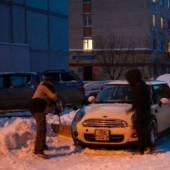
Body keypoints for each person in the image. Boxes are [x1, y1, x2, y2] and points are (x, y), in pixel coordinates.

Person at [29, 76, 63, 159]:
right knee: (41, 128)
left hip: (38, 107)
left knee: (43, 128)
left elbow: (48, 101)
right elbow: (53, 95)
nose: (52, 86)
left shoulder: (42, 88)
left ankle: (42, 145)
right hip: (38, 107)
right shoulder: (44, 86)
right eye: (52, 84)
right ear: (50, 83)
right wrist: (57, 97)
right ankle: (38, 150)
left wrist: (55, 108)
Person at [125, 68, 156, 155]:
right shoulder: (140, 84)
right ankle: (141, 149)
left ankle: (150, 146)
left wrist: (136, 110)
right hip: (144, 111)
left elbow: (139, 100)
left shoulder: (137, 86)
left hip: (142, 112)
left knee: (141, 131)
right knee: (141, 131)